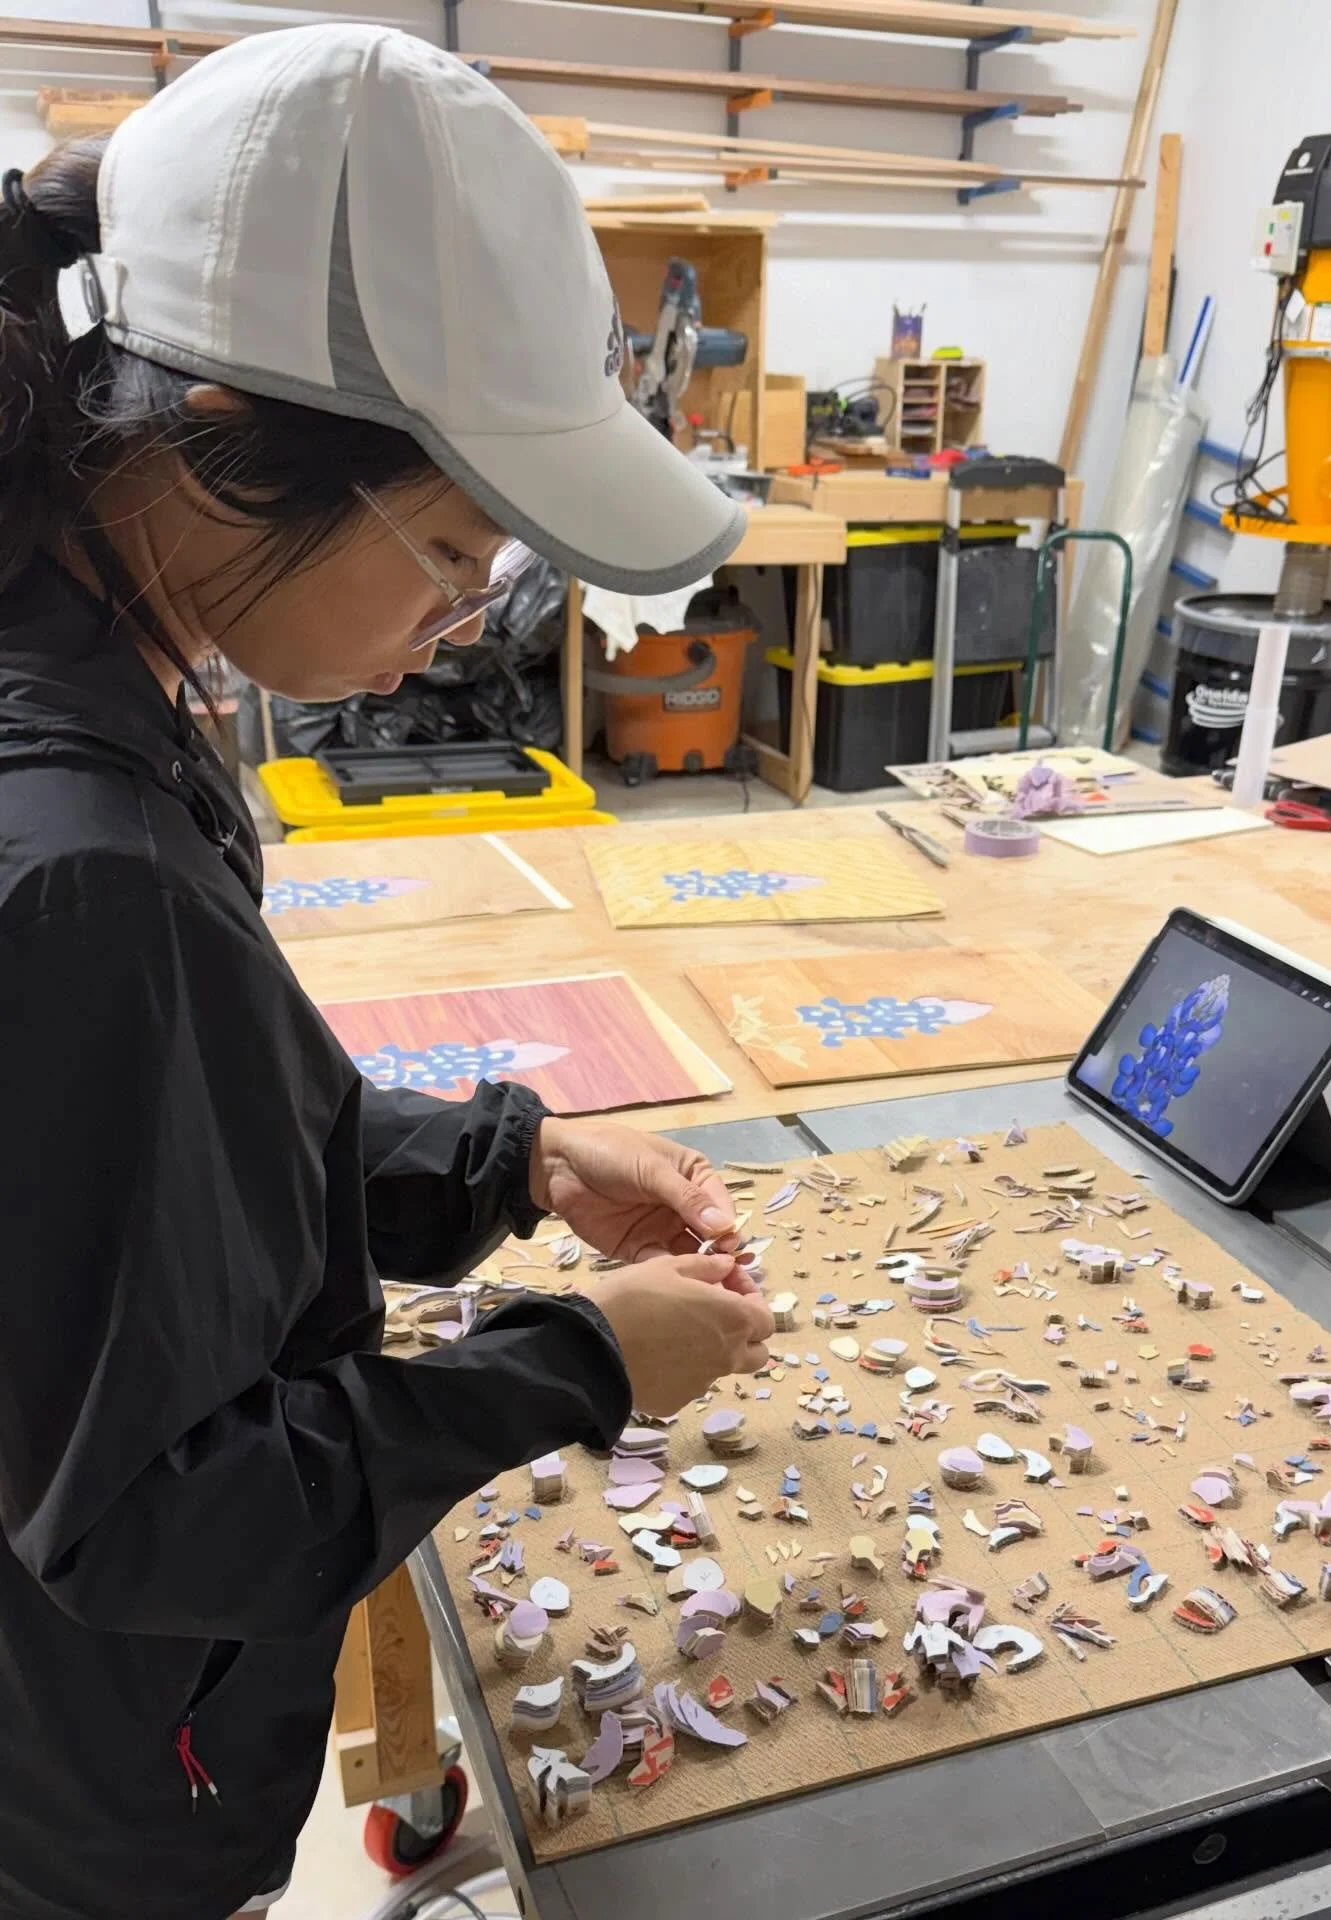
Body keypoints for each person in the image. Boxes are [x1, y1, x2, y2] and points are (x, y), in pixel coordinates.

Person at [0, 25, 773, 1920]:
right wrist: (574, 1366)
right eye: (443, 549)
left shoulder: (85, 651)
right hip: (94, 1803)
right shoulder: (83, 873)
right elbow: (160, 1513)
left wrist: (501, 1165)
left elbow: (159, 1160)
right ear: (214, 449)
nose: (455, 622)